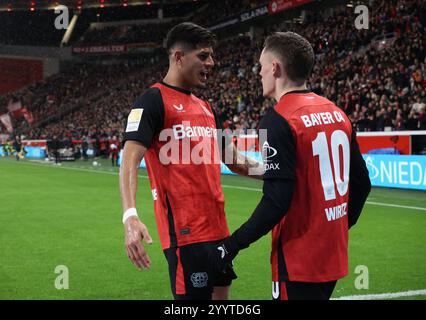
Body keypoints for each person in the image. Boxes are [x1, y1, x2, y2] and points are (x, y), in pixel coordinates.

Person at [211, 32, 371, 300]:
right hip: (333, 254)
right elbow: (362, 183)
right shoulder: (336, 112)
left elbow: (277, 201)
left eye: (261, 67)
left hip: (299, 259)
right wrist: (340, 226)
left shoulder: (278, 119)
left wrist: (230, 246)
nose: (258, 73)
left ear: (275, 68)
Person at [119, 22, 261, 300]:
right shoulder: (151, 101)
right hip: (186, 236)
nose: (212, 62)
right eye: (204, 55)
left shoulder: (206, 107)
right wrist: (130, 216)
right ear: (178, 57)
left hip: (221, 231)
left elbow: (235, 159)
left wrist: (279, 171)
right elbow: (129, 161)